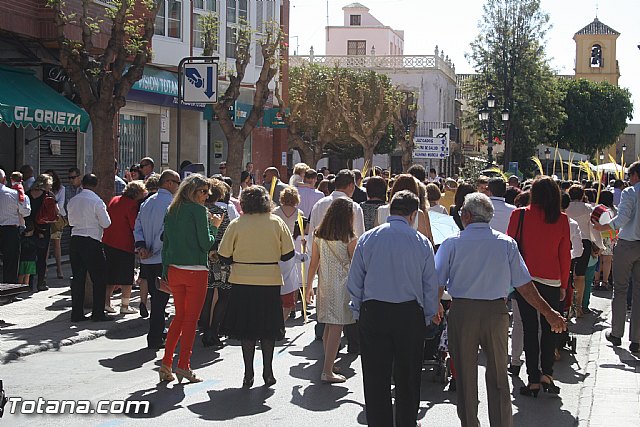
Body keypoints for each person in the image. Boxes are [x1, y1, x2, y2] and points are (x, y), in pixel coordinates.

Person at [437, 192, 566, 427]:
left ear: (465, 215)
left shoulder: (451, 243)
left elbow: (437, 282)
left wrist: (433, 307)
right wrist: (549, 313)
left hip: (463, 311)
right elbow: (525, 286)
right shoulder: (506, 243)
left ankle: (470, 423)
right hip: (496, 311)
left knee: (466, 376)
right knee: (498, 376)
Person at [347, 190, 439, 427]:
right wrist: (428, 316)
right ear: (413, 214)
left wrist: (358, 310)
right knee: (408, 376)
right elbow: (430, 285)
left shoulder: (369, 238)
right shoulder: (421, 242)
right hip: (408, 314)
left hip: (374, 311)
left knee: (375, 376)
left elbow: (355, 280)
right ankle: (407, 422)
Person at [219, 186, 295, 388]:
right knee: (268, 328)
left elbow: (223, 255)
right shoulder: (276, 222)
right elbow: (288, 253)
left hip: (242, 281)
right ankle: (268, 371)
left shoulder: (237, 224)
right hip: (269, 281)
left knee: (247, 330)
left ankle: (248, 373)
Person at [507, 177, 571, 397]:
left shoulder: (519, 215)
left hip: (525, 280)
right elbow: (565, 255)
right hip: (552, 279)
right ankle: (548, 373)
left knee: (529, 329)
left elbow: (510, 248)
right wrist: (563, 284)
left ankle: (533, 378)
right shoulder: (562, 219)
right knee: (550, 327)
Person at [159, 174, 222, 383]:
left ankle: (167, 362)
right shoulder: (198, 211)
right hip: (195, 270)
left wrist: (166, 271)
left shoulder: (172, 210)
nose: (207, 195)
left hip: (175, 270)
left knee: (179, 316)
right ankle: (183, 365)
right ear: (192, 191)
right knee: (190, 320)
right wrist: (214, 225)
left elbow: (166, 244)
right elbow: (206, 244)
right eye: (204, 191)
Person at [309, 170, 366, 353]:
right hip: (343, 275)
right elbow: (358, 246)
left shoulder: (319, 204)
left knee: (326, 318)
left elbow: (312, 237)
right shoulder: (354, 207)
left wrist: (309, 282)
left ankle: (328, 358)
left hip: (323, 267)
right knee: (339, 321)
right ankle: (330, 363)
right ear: (350, 185)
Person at [306, 198, 358, 383]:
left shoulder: (319, 234)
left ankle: (328, 364)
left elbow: (313, 263)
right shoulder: (350, 238)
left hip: (324, 284)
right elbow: (356, 265)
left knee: (329, 325)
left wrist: (308, 287)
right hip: (342, 286)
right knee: (336, 327)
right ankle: (327, 370)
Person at [593, 161, 640, 353]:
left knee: (620, 290)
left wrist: (603, 227)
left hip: (628, 243)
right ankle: (637, 339)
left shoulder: (630, 193)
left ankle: (617, 333)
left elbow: (622, 219)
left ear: (635, 175)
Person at [134, 170, 181, 349]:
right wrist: (151, 249)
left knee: (158, 300)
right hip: (161, 258)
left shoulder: (147, 202)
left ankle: (158, 332)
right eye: (177, 183)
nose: (178, 187)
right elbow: (166, 233)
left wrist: (141, 247)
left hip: (147, 258)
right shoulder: (170, 204)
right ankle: (155, 337)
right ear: (168, 183)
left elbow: (137, 227)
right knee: (160, 301)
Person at [67, 174, 112, 322]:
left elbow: (70, 220)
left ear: (82, 184)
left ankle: (76, 313)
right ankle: (98, 313)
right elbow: (106, 223)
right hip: (91, 240)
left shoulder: (73, 201)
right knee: (99, 278)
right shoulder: (96, 201)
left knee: (78, 278)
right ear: (96, 184)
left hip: (75, 239)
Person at [102, 180, 147, 315]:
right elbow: (134, 226)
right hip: (124, 244)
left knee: (110, 275)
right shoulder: (131, 205)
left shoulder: (115, 199)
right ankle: (125, 305)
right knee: (126, 276)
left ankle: (106, 303)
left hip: (108, 241)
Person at [200, 179, 233, 349]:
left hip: (203, 257)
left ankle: (205, 329)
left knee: (206, 296)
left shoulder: (199, 211)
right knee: (223, 295)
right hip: (220, 257)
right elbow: (226, 234)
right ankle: (213, 330)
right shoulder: (220, 211)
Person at [566, 184, 602, 318]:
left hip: (567, 242)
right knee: (580, 276)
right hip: (584, 242)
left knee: (566, 275)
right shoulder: (588, 209)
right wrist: (599, 245)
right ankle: (578, 307)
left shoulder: (565, 206)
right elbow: (593, 229)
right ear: (582, 195)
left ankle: (567, 305)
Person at [375, 174, 434, 244]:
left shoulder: (380, 210)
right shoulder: (418, 214)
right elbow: (424, 241)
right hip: (410, 252)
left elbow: (376, 236)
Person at [26, 174, 58, 292]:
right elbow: (56, 212)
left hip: (29, 229)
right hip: (43, 229)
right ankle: (41, 283)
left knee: (29, 257)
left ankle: (28, 283)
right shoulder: (48, 195)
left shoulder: (28, 194)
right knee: (41, 257)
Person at [0, 168, 31, 284]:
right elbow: (25, 212)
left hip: (9, 229)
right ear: (4, 179)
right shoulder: (14, 194)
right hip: (10, 231)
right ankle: (9, 293)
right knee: (11, 262)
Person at [44, 169, 66, 279]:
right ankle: (44, 269)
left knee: (57, 245)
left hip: (56, 219)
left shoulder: (61, 189)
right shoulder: (43, 189)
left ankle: (59, 268)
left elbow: (61, 205)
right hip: (45, 219)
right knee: (46, 245)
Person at [18, 220, 37, 285]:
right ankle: (26, 286)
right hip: (31, 259)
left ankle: (19, 287)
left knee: (21, 274)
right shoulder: (34, 239)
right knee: (27, 275)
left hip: (22, 259)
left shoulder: (21, 238)